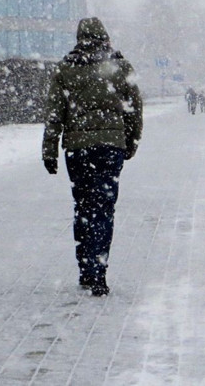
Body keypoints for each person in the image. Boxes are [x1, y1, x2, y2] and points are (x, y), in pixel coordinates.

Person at [42, 17, 143, 297]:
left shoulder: (65, 69)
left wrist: (49, 149)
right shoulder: (121, 67)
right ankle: (100, 271)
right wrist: (130, 142)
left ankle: (86, 270)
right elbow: (134, 109)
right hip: (111, 147)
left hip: (77, 149)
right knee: (104, 208)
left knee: (83, 207)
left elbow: (54, 114)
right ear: (105, 36)